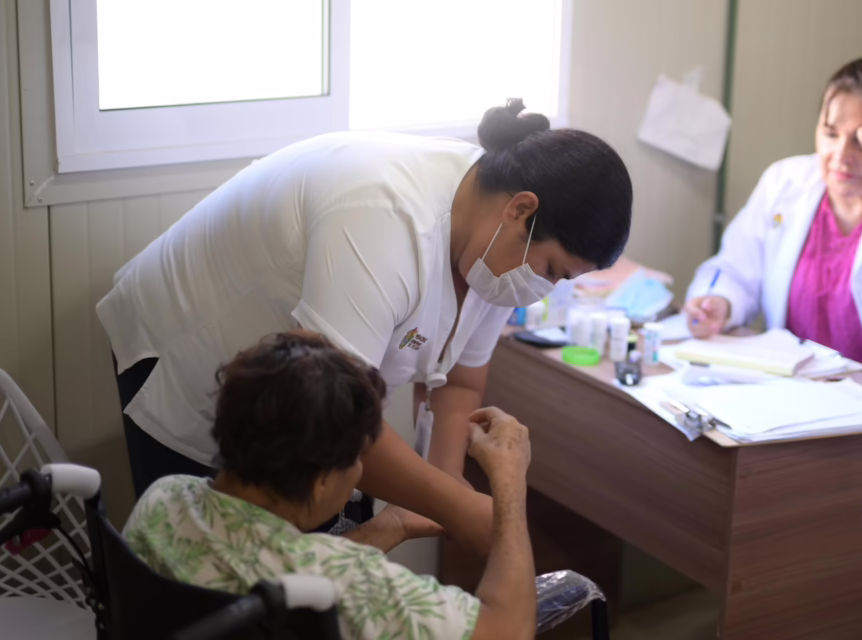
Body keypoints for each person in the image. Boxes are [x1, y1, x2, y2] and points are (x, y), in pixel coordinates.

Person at [99, 100, 632, 549]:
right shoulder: (383, 216)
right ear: (521, 210)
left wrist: (444, 492)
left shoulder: (499, 250)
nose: (546, 288)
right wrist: (468, 510)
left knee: (299, 577)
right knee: (210, 577)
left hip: (303, 399)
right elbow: (328, 417)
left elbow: (461, 382)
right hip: (187, 348)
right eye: (554, 271)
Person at [124, 330, 538, 640]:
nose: (359, 474)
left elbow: (281, 567)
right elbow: (507, 630)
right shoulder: (354, 586)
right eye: (357, 459)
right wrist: (509, 482)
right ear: (321, 480)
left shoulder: (163, 502)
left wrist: (392, 525)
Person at [685, 59, 862, 391]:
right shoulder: (785, 182)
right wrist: (719, 301)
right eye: (830, 133)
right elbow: (735, 267)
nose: (840, 154)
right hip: (790, 392)